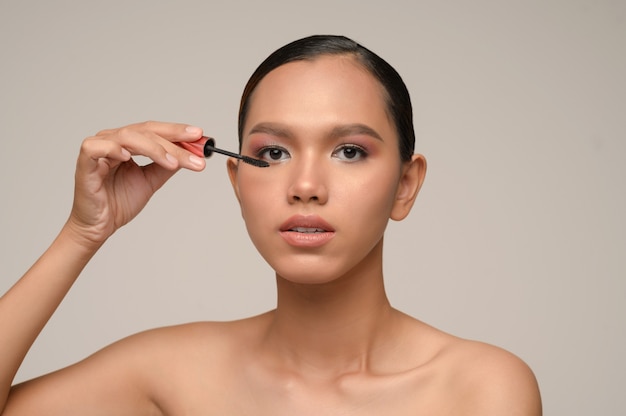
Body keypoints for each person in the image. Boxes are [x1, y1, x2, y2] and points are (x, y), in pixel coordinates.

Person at [0, 35, 541, 415]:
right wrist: (83, 231)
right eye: (275, 152)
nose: (306, 184)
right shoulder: (170, 373)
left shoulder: (480, 388)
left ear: (406, 184)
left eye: (349, 151)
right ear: (237, 182)